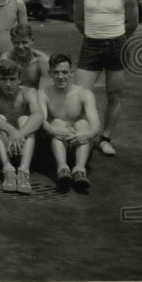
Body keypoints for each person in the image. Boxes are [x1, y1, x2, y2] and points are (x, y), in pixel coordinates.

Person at [72, 0, 139, 157]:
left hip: (117, 46)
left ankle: (105, 138)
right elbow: (78, 21)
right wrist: (95, 35)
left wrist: (115, 38)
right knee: (80, 95)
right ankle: (83, 136)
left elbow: (132, 23)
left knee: (114, 94)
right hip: (90, 45)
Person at [0, 61, 44, 195]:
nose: (8, 84)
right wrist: (11, 130)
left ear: (19, 79)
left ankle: (23, 171)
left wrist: (19, 134)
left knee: (25, 119)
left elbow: (39, 116)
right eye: (4, 79)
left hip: (25, 146)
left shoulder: (29, 92)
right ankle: (8, 169)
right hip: (3, 146)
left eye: (12, 79)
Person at [41, 53, 100, 192]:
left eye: (64, 72)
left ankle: (79, 170)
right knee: (57, 122)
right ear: (50, 73)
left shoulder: (84, 93)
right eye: (56, 72)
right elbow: (40, 120)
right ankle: (62, 169)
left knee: (83, 124)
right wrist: (54, 130)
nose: (60, 76)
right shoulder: (43, 93)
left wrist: (84, 135)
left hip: (80, 145)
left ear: (72, 72)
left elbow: (96, 125)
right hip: (57, 145)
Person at [0, 23, 50, 89]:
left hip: (36, 94)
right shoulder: (6, 59)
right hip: (12, 94)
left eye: (24, 42)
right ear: (12, 41)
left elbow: (43, 91)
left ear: (32, 40)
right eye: (17, 42)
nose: (20, 46)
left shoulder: (43, 61)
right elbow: (2, 86)